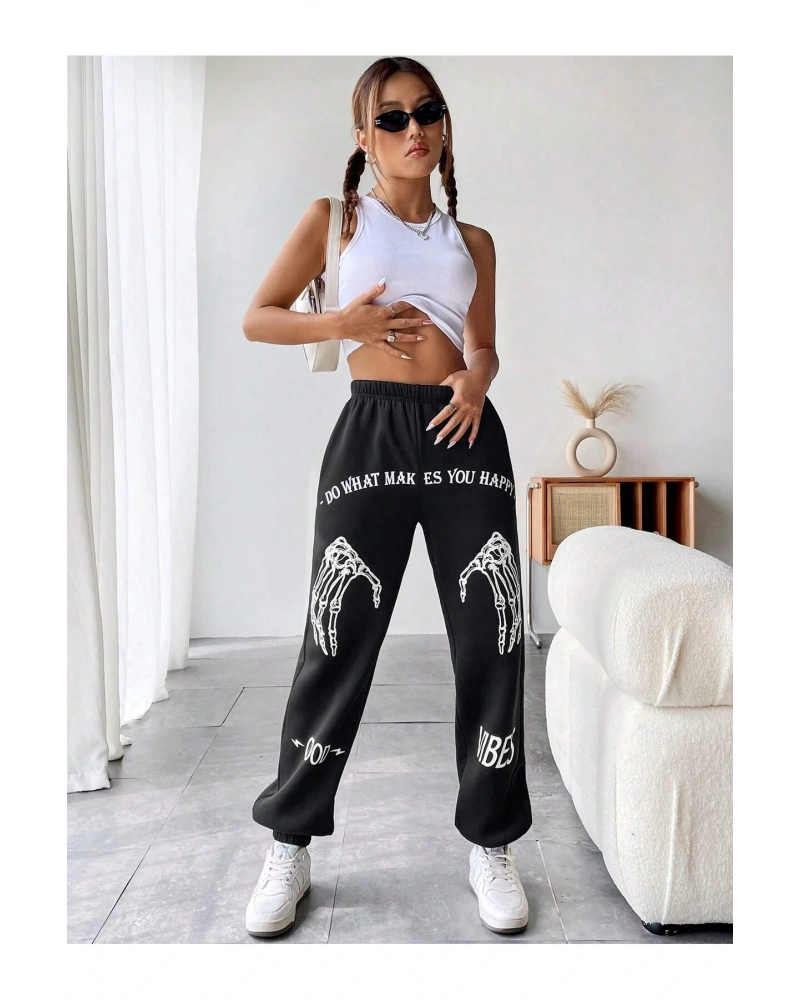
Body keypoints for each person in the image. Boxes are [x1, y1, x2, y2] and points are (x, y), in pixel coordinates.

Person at [241, 56, 532, 939]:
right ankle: (290, 840)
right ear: (364, 134)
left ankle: (491, 842)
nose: (415, 129)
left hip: (463, 433)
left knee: (493, 635)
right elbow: (260, 315)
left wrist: (477, 381)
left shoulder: (473, 240)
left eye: (427, 112)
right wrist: (344, 322)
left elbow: (482, 345)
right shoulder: (335, 220)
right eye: (394, 116)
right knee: (336, 637)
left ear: (443, 125)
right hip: (370, 428)